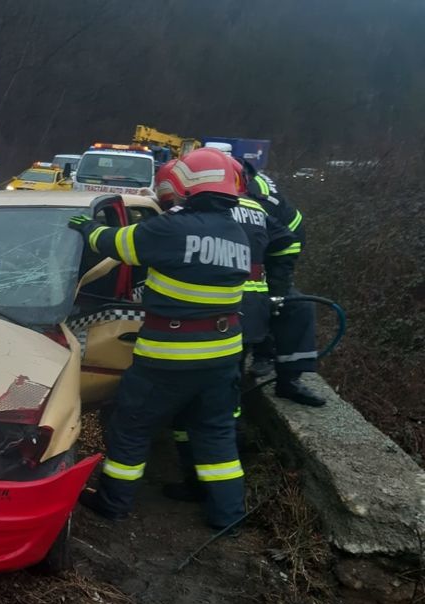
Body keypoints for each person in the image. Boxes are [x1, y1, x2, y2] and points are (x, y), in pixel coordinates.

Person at [68, 148, 250, 531]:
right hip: (223, 356)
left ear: (188, 184)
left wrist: (87, 228)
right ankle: (228, 515)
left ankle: (113, 503)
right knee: (215, 434)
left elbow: (115, 243)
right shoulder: (237, 233)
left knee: (131, 427)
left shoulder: (172, 229)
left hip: (169, 356)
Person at [163, 157, 297, 503]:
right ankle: (227, 474)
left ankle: (200, 478)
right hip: (251, 318)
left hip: (208, 318)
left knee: (198, 402)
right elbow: (289, 242)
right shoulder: (255, 207)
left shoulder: (193, 215)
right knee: (226, 398)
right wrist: (277, 286)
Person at [237, 159, 324, 406]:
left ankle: (288, 380)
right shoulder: (227, 192)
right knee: (249, 310)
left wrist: (277, 291)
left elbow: (289, 242)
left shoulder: (261, 199)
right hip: (233, 264)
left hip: (270, 256)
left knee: (296, 307)